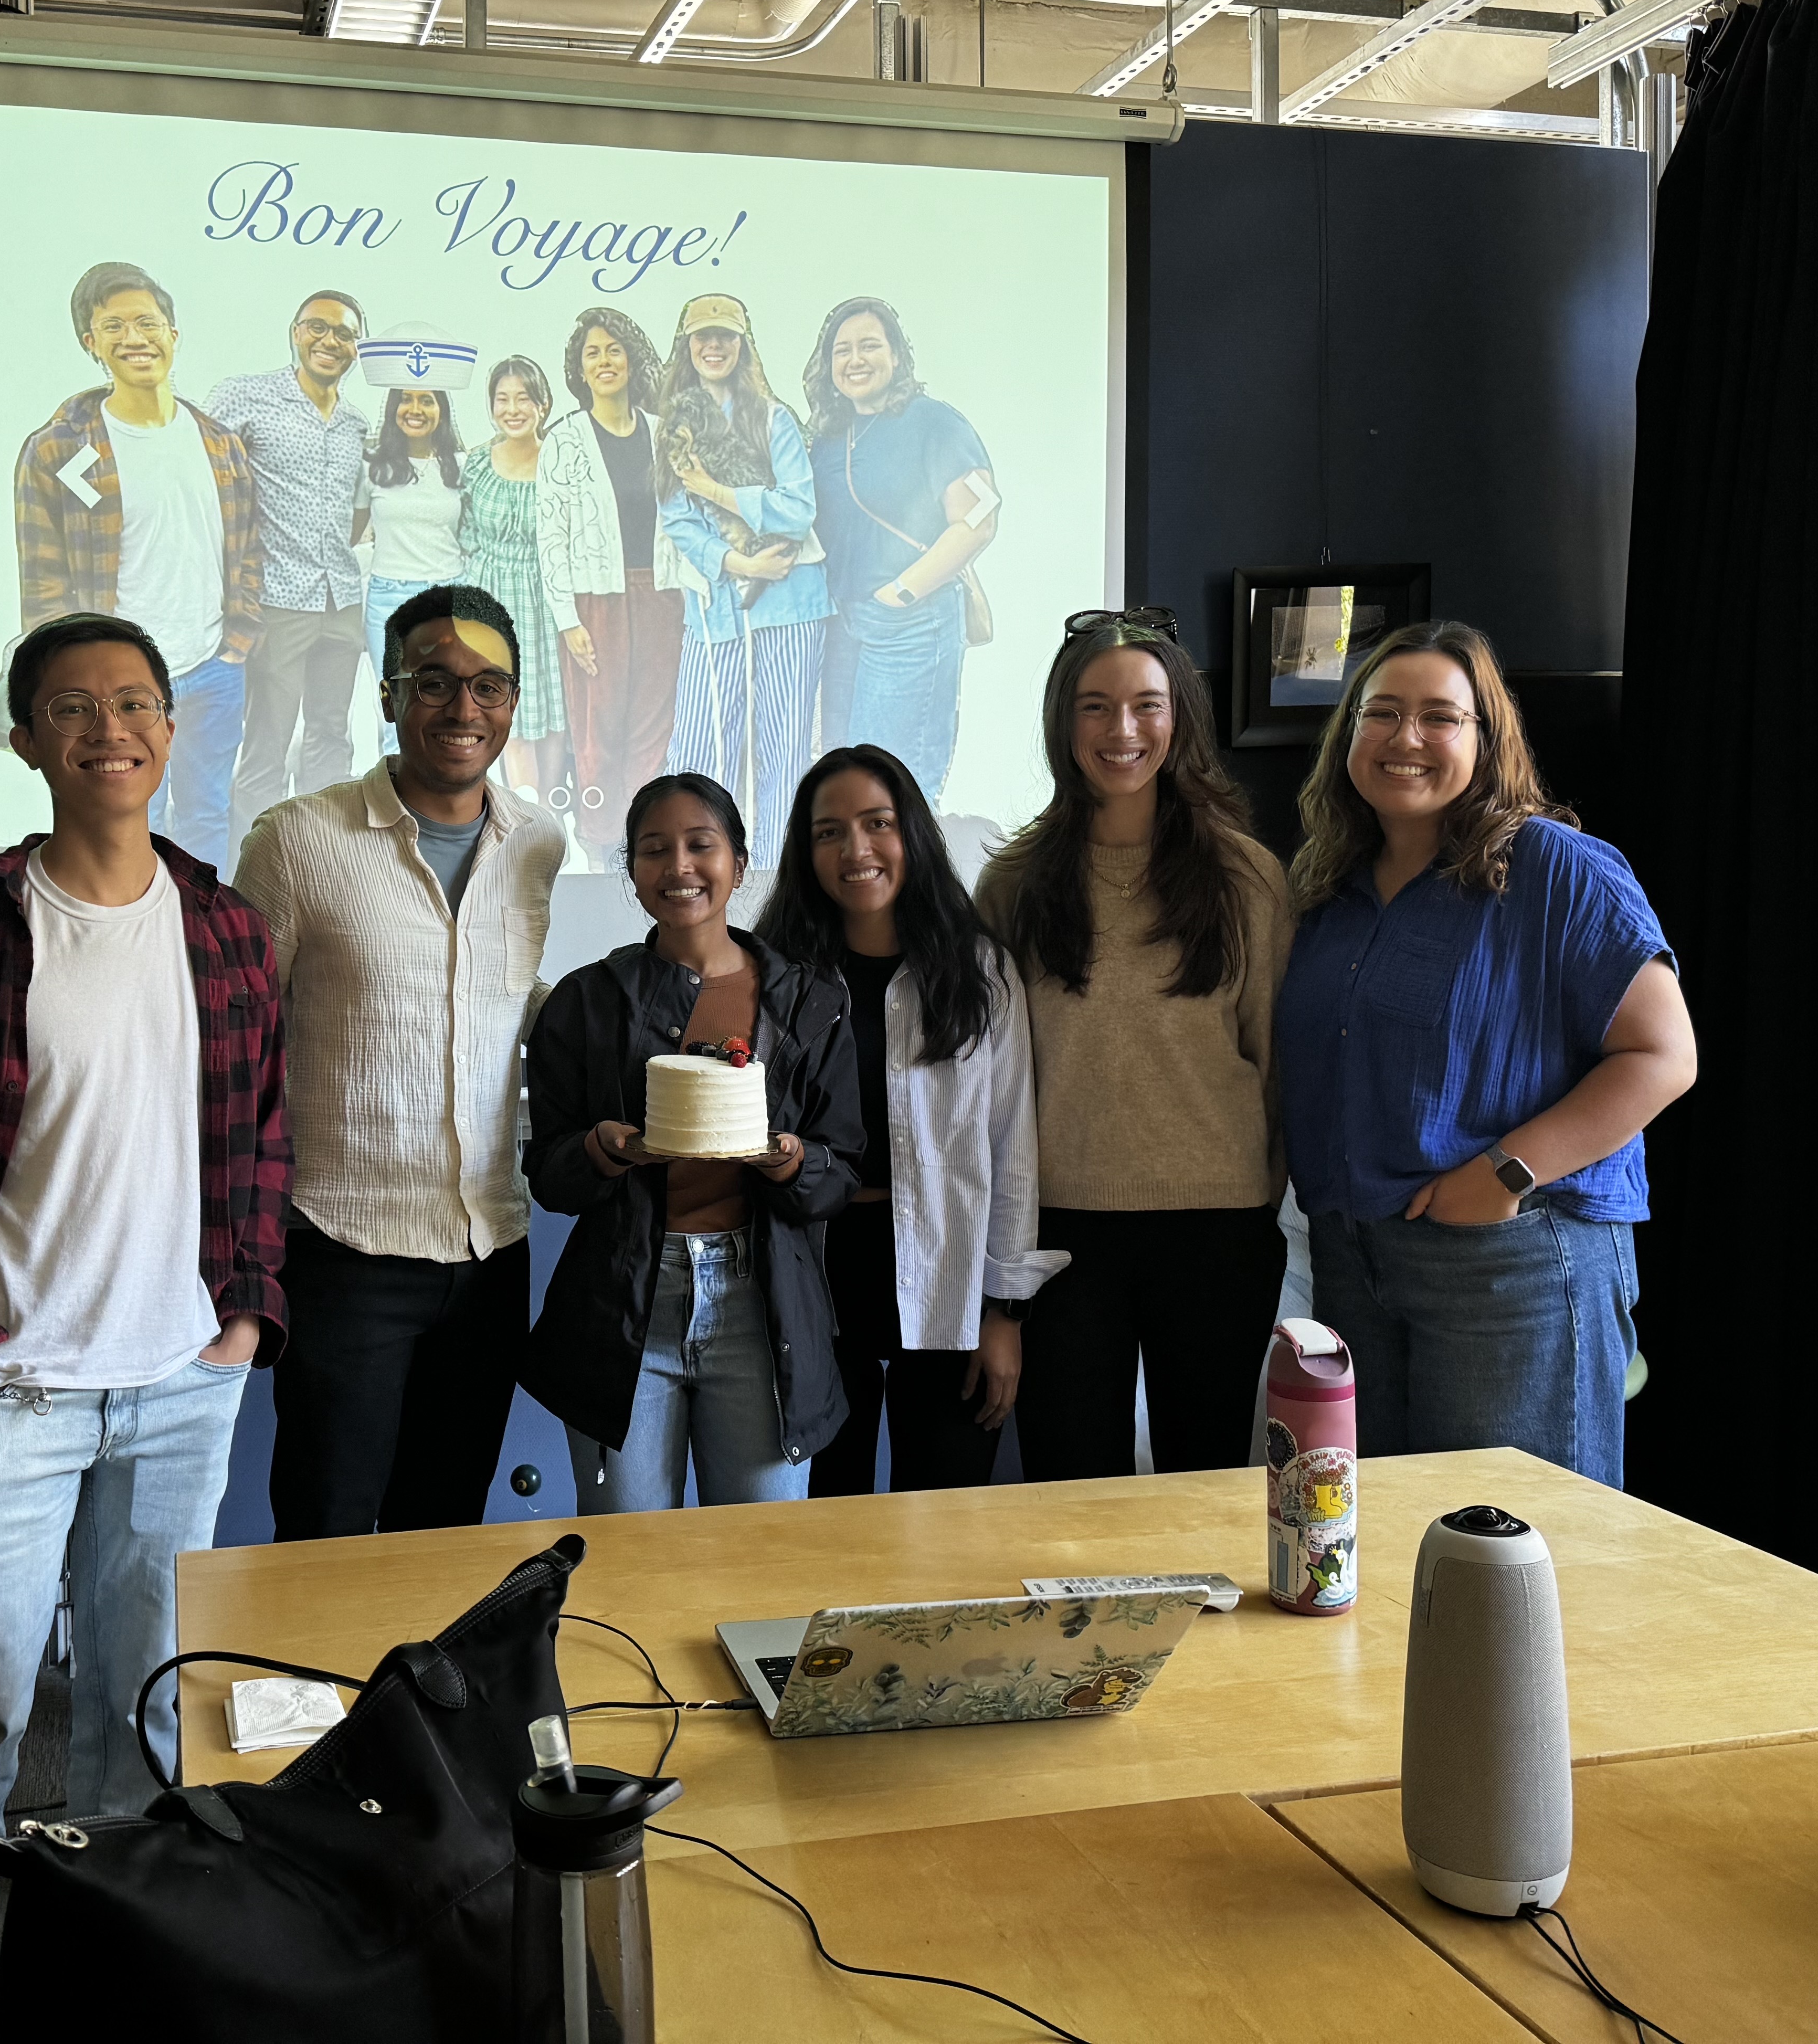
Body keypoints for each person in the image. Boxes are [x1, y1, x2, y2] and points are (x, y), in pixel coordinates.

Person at [0, 610, 288, 2043]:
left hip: (182, 1375)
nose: (112, 727)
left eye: (137, 703)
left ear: (173, 730)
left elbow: (262, 1145)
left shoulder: (225, 924)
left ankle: (116, 1965)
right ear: (26, 734)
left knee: (146, 1704)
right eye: (74, 706)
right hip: (13, 1388)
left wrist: (242, 1319)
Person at [1278, 620, 1695, 1490]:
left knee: (1515, 1551)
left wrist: (1505, 1173)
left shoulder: (1554, 866)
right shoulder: (1327, 885)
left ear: (1487, 738)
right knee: (1392, 1552)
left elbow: (1662, 1053)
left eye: (1440, 716)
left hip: (1509, 1264)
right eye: (1381, 712)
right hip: (1355, 1261)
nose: (1406, 737)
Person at [236, 584, 564, 1539]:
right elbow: (238, 1049)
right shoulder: (298, 840)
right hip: (343, 1254)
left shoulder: (538, 842)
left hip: (492, 1249)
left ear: (513, 701)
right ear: (387, 693)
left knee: (445, 1535)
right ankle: (318, 1697)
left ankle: (423, 1700)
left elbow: (502, 998)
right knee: (327, 1534)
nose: (464, 709)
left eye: (490, 686)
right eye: (435, 680)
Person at [975, 610, 1293, 1479]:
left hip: (1217, 1230)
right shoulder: (1013, 883)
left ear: (1180, 716)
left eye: (1146, 705)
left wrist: (1258, 1197)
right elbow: (993, 1087)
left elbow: (1276, 1061)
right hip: (1062, 1237)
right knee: (1070, 1495)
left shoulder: (1246, 878)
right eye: (1094, 706)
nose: (1122, 730)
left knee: (1206, 1479)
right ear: (1061, 722)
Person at [521, 774, 860, 1511]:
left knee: (762, 1557)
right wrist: (602, 1150)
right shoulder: (588, 1001)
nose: (679, 867)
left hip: (762, 1307)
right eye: (654, 850)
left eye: (700, 846)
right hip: (626, 1305)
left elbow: (841, 1171)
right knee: (631, 1557)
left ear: (738, 863)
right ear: (633, 874)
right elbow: (548, 1174)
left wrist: (794, 1160)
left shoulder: (809, 1000)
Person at [759, 745, 1062, 1494]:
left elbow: (1009, 1149)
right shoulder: (774, 977)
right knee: (827, 1527)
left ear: (912, 835)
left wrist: (1004, 1314)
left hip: (947, 1273)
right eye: (829, 832)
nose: (855, 850)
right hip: (816, 1280)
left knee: (943, 1528)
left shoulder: (979, 972)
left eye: (877, 823)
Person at [12, 262, 261, 867]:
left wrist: (238, 640)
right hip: (113, 691)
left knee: (206, 814)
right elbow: (43, 584)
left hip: (212, 671)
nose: (135, 337)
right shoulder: (57, 449)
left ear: (173, 334)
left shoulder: (218, 441)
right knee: (120, 824)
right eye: (114, 325)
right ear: (90, 342)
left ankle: (198, 943)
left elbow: (247, 548)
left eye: (148, 322)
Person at [804, 297, 997, 804]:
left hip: (912, 626)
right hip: (842, 627)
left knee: (896, 789)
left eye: (870, 345)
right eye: (842, 350)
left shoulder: (935, 422)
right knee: (843, 786)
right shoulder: (828, 437)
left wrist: (902, 593)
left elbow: (979, 519)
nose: (855, 359)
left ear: (897, 356)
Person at [658, 292, 828, 867]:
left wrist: (715, 491)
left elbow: (798, 509)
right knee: (703, 744)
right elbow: (676, 518)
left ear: (743, 343)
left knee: (783, 745)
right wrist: (740, 565)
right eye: (702, 336)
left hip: (790, 602)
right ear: (686, 344)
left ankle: (780, 875)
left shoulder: (773, 417)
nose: (713, 346)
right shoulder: (676, 420)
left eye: (725, 336)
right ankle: (706, 867)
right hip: (716, 605)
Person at [207, 290, 372, 844]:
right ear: (295, 333)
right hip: (278, 599)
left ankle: (321, 853)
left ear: (357, 348)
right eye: (318, 328)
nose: (331, 340)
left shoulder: (355, 423)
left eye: (345, 333)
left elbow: (357, 514)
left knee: (331, 733)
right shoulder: (246, 398)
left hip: (342, 599)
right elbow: (207, 481)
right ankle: (251, 866)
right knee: (269, 739)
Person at [538, 307, 696, 846]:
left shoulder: (662, 434)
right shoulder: (565, 439)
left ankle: (645, 839)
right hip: (595, 601)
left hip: (660, 594)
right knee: (597, 727)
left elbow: (683, 516)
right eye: (592, 353)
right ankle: (604, 842)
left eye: (614, 350)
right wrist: (567, 619)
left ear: (631, 359)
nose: (605, 361)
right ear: (579, 370)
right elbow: (551, 536)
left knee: (654, 723)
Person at [463, 356, 578, 819]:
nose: (513, 409)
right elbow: (466, 531)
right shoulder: (476, 462)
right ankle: (521, 814)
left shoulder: (561, 460)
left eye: (523, 398)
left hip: (545, 595)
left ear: (544, 404)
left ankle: (547, 811)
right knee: (503, 703)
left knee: (548, 705)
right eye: (502, 399)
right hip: (492, 598)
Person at [353, 386, 467, 753]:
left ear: (442, 410)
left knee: (448, 708)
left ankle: (441, 803)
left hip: (448, 599)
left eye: (427, 400)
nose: (415, 409)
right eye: (406, 399)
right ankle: (396, 806)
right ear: (392, 408)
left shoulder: (460, 466)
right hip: (390, 601)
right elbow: (352, 533)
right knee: (397, 713)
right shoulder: (372, 467)